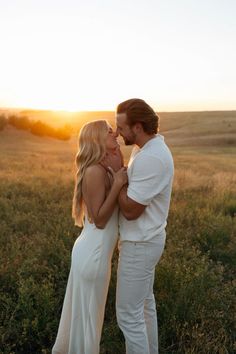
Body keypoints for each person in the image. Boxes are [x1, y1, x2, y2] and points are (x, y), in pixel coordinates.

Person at [52, 120, 127, 354]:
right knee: (88, 325)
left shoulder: (103, 168)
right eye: (109, 130)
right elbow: (100, 219)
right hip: (92, 256)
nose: (114, 132)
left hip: (93, 253)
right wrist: (116, 184)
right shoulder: (94, 171)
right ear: (97, 139)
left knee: (84, 322)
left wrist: (117, 170)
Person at [115, 99, 174, 354]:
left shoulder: (152, 157)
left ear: (137, 127)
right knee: (144, 307)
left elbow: (130, 211)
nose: (118, 133)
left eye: (121, 127)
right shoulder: (144, 149)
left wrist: (117, 180)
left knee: (128, 316)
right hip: (146, 240)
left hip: (140, 244)